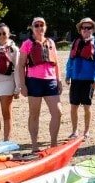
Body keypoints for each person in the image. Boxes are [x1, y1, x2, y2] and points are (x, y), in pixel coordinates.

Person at [16, 17, 63, 150]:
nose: (39, 27)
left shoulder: (51, 43)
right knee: (34, 113)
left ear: (45, 27)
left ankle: (53, 144)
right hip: (34, 81)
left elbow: (56, 63)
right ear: (32, 28)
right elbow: (21, 66)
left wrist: (58, 80)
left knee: (57, 112)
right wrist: (23, 85)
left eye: (41, 25)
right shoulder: (27, 44)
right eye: (36, 25)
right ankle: (34, 145)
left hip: (50, 81)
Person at [65, 17, 95, 140]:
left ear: (93, 29)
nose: (86, 30)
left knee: (87, 106)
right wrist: (68, 75)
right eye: (84, 28)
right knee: (73, 106)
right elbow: (70, 60)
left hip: (88, 80)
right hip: (76, 79)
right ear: (80, 30)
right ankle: (74, 131)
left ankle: (86, 131)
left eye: (89, 28)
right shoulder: (76, 43)